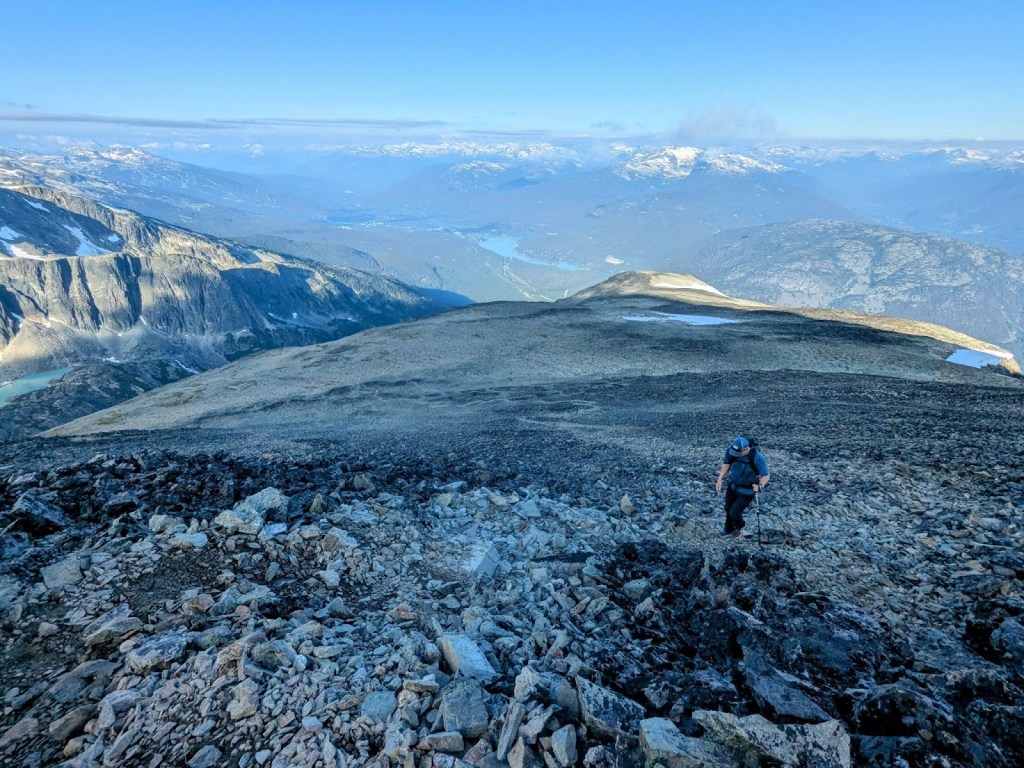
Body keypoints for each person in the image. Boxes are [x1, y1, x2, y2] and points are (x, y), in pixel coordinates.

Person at [715, 436, 770, 537]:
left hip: (747, 490)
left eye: (738, 453)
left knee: (734, 512)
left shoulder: (757, 457)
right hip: (733, 485)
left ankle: (740, 527)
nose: (736, 455)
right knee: (727, 508)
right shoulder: (732, 451)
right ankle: (728, 529)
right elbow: (726, 464)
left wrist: (760, 485)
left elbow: (765, 475)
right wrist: (720, 479)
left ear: (746, 449)